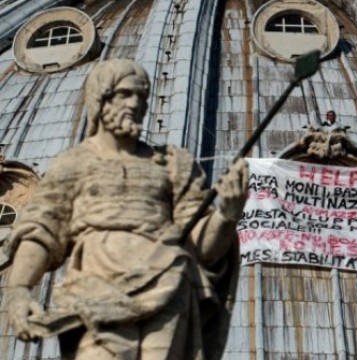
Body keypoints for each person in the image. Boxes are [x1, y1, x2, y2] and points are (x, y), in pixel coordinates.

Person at [1, 59, 248, 359]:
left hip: (167, 285)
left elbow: (201, 247)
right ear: (101, 98)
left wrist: (227, 214)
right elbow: (42, 230)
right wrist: (19, 290)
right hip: (94, 290)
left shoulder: (173, 164)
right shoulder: (75, 163)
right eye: (125, 94)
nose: (135, 104)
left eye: (141, 97)